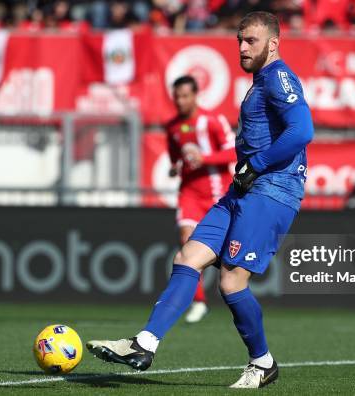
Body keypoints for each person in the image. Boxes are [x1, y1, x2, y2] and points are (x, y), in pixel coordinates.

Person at [87, 11, 314, 389]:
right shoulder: (260, 80)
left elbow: (303, 130)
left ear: (273, 43)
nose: (242, 47)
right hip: (243, 189)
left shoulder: (278, 77)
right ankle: (143, 344)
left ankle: (262, 362)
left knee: (231, 282)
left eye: (251, 41)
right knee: (188, 257)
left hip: (272, 191)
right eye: (239, 40)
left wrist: (255, 163)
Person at [165, 74, 235, 323]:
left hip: (218, 193)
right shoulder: (172, 126)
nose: (180, 101)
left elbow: (233, 150)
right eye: (177, 96)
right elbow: (175, 157)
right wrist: (175, 168)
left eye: (185, 96)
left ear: (195, 95)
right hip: (190, 193)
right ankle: (198, 301)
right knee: (187, 241)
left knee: (226, 252)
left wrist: (204, 159)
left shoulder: (213, 121)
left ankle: (233, 294)